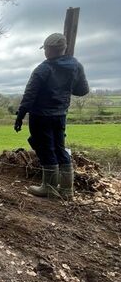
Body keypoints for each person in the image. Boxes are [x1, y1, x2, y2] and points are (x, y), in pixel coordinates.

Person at [14, 33, 89, 200]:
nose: (44, 52)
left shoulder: (43, 68)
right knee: (60, 148)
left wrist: (20, 116)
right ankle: (67, 190)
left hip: (40, 116)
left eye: (45, 49)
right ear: (64, 48)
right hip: (60, 114)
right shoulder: (76, 65)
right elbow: (83, 90)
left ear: (48, 49)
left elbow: (29, 95)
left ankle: (48, 188)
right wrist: (65, 88)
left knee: (45, 148)